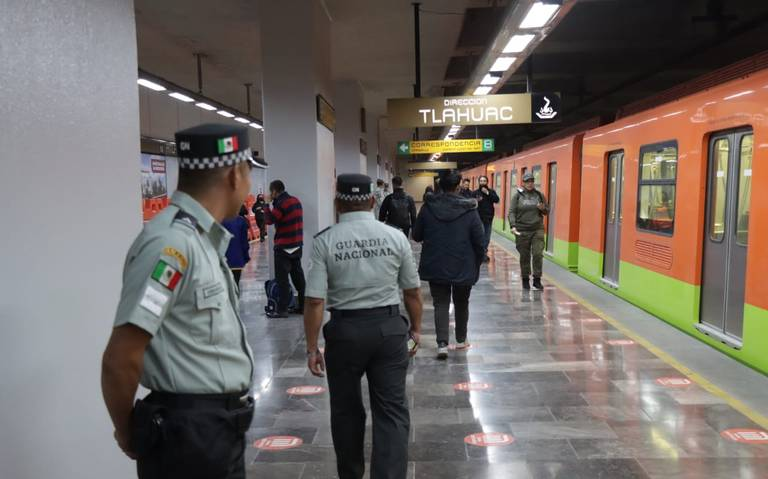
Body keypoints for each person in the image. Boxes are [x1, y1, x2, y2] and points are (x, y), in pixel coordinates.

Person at [101, 124, 256, 479]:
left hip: (216, 431)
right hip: (189, 438)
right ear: (235, 174)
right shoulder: (172, 246)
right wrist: (128, 432)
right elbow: (121, 357)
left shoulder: (199, 240)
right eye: (248, 173)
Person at [303, 174, 423, 479]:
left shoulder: (325, 240)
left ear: (337, 203)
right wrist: (415, 331)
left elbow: (315, 301)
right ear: (372, 201)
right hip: (388, 330)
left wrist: (312, 348)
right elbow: (412, 292)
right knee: (392, 411)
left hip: (344, 334)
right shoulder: (395, 237)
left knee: (345, 411)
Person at [413, 171, 485, 359]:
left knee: (440, 303)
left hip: (436, 263)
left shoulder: (428, 207)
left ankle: (442, 345)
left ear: (440, 186)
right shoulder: (470, 209)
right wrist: (477, 261)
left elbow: (417, 235)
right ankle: (460, 340)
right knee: (461, 302)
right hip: (463, 264)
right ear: (458, 186)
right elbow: (480, 241)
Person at [264, 180, 306, 317]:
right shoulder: (296, 201)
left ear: (274, 191)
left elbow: (269, 220)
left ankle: (282, 310)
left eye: (271, 192)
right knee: (298, 279)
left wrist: (266, 204)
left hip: (283, 247)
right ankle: (303, 307)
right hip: (297, 246)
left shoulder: (281, 204)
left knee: (282, 280)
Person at [508, 172, 549, 290]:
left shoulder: (539, 195)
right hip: (522, 230)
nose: (530, 183)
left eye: (531, 181)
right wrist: (513, 225)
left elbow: (547, 211)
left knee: (537, 254)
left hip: (537, 229)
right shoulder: (517, 196)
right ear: (523, 183)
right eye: (527, 181)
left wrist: (543, 209)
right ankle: (525, 279)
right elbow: (511, 212)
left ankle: (537, 279)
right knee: (525, 256)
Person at [474, 175, 499, 263]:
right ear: (479, 182)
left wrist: (488, 193)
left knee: (487, 237)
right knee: (481, 236)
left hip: (488, 218)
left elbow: (496, 200)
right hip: (478, 218)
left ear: (487, 182)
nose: (483, 182)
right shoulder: (475, 193)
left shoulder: (491, 192)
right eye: (481, 181)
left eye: (484, 181)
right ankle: (482, 254)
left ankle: (483, 252)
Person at [222, 214, 251, 287]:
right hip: (237, 259)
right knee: (235, 283)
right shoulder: (240, 220)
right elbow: (244, 242)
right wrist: (246, 257)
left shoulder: (219, 219)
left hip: (222, 260)